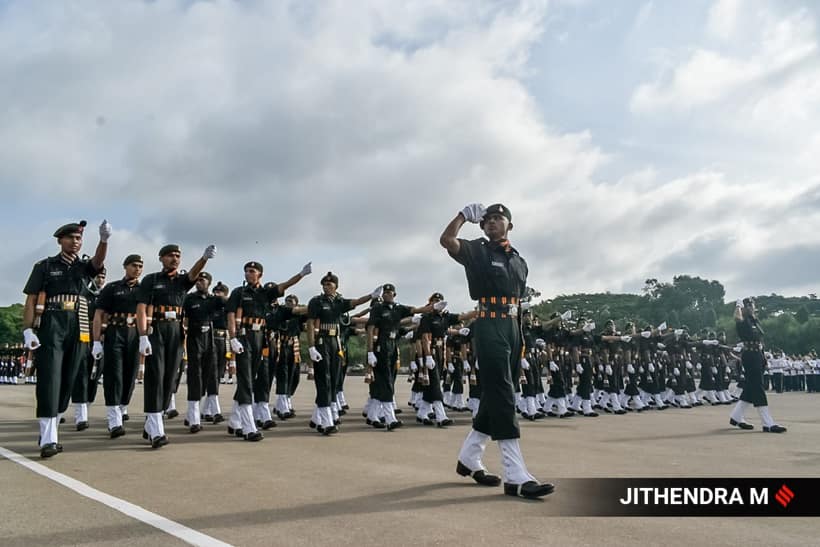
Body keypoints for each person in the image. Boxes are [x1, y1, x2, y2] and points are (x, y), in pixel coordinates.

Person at [440, 203, 554, 499]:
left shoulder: (519, 261)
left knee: (499, 393)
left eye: (498, 219)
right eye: (487, 220)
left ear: (509, 225)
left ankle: (469, 457)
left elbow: (518, 299)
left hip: (513, 328)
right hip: (489, 325)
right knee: (502, 393)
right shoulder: (478, 251)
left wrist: (522, 338)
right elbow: (447, 241)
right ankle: (515, 475)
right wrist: (463, 216)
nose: (492, 223)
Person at [22, 219, 111, 458]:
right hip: (52, 322)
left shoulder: (83, 267)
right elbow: (31, 299)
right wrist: (28, 330)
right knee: (50, 377)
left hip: (79, 323)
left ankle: (52, 423)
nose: (75, 242)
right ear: (60, 240)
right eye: (71, 238)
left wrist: (103, 240)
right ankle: (48, 437)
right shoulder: (45, 266)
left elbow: (98, 262)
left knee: (69, 378)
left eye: (79, 238)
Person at [136, 243, 216, 448]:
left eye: (177, 256)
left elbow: (194, 273)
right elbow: (142, 309)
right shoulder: (151, 280)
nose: (174, 258)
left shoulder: (182, 282)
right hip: (157, 330)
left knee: (170, 379)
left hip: (176, 332)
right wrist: (143, 335)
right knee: (155, 377)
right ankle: (156, 429)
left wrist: (204, 258)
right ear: (161, 258)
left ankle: (153, 421)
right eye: (170, 255)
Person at [226, 261, 311, 440]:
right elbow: (231, 315)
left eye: (252, 271)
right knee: (246, 380)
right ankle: (249, 427)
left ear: (260, 275)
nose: (248, 274)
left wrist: (301, 275)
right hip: (244, 336)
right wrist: (232, 337)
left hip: (260, 338)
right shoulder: (238, 293)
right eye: (246, 271)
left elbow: (285, 285)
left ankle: (234, 421)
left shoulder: (265, 293)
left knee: (249, 379)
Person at [306, 272, 382, 435]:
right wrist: (311, 347)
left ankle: (317, 418)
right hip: (322, 341)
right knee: (323, 379)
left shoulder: (339, 302)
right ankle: (326, 422)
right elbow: (311, 324)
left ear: (336, 286)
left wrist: (371, 296)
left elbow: (354, 302)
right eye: (325, 285)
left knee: (333, 380)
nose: (326, 287)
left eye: (330, 284)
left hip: (335, 343)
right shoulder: (316, 302)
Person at [365, 283, 436, 430]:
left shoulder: (398, 308)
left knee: (388, 379)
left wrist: (431, 308)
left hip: (392, 345)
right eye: (385, 293)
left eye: (390, 293)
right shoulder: (378, 308)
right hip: (381, 345)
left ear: (394, 295)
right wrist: (370, 351)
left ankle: (372, 415)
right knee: (386, 381)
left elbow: (415, 310)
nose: (387, 295)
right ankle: (390, 418)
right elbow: (370, 329)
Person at [92, 254, 143, 438]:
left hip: (134, 334)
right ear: (125, 266)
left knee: (130, 375)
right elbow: (98, 314)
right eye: (134, 265)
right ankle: (113, 420)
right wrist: (96, 341)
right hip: (115, 332)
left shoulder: (144, 289)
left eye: (140, 266)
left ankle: (122, 408)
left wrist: (145, 337)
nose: (137, 269)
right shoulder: (112, 288)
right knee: (114, 375)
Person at [729, 298, 786, 433]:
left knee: (750, 388)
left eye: (752, 305)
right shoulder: (742, 321)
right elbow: (737, 317)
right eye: (747, 305)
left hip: (757, 355)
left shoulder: (754, 321)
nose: (750, 307)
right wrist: (738, 306)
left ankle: (735, 417)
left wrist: (763, 357)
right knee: (758, 387)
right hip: (750, 356)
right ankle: (768, 423)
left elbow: (760, 339)